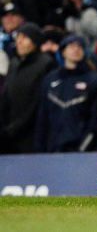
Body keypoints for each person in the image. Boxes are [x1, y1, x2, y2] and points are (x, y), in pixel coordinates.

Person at [35, 35, 97, 152]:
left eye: (79, 47)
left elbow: (95, 119)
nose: (76, 49)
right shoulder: (50, 79)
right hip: (52, 149)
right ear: (63, 51)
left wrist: (84, 147)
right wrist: (39, 148)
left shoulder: (95, 80)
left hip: (81, 150)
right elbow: (42, 117)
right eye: (71, 46)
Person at [0, 23, 55, 153]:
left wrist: (15, 127)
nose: (19, 41)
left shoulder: (45, 63)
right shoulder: (14, 63)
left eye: (25, 37)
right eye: (18, 37)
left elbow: (38, 101)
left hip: (32, 134)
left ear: (35, 42)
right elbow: (6, 95)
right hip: (9, 134)